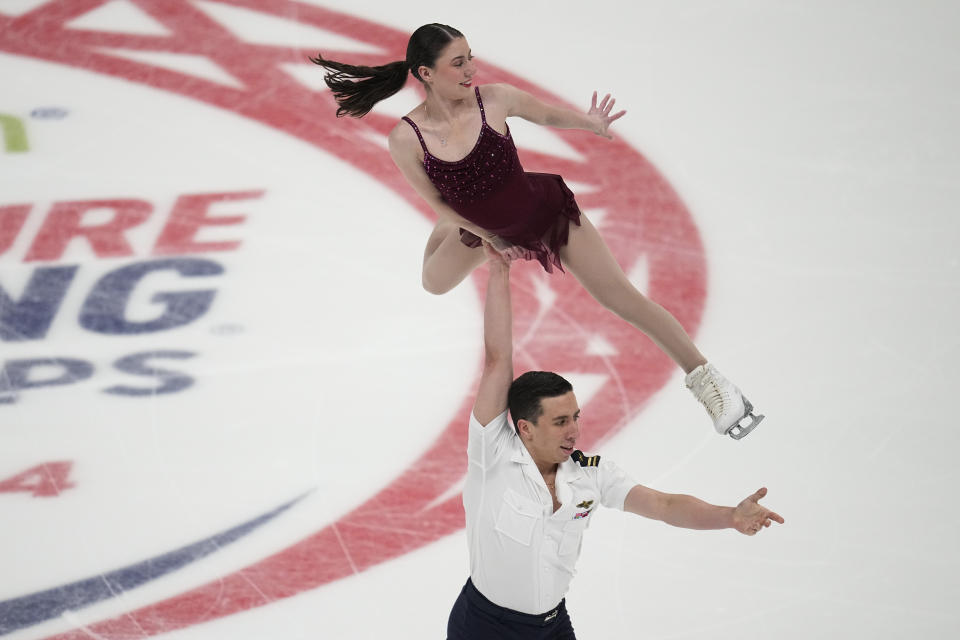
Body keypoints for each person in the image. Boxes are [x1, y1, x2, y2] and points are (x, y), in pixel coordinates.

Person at [311, 24, 762, 439]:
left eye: (471, 57)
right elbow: (434, 201)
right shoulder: (406, 138)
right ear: (425, 73)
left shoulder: (496, 99)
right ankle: (466, 223)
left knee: (620, 297)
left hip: (540, 213)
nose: (470, 70)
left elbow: (545, 115)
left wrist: (590, 122)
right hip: (480, 227)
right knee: (433, 282)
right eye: (457, 63)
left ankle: (712, 384)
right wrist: (481, 233)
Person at [445, 243, 783, 639]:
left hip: (552, 627)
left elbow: (664, 505)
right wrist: (499, 271)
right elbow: (498, 358)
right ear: (524, 428)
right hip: (486, 627)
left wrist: (728, 516)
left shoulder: (591, 475)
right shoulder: (493, 454)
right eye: (559, 422)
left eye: (575, 417)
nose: (573, 430)